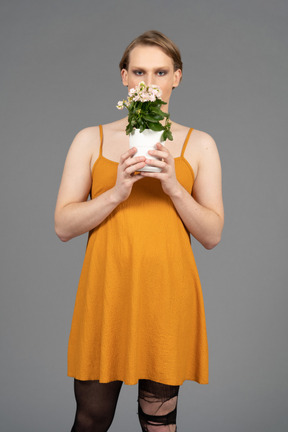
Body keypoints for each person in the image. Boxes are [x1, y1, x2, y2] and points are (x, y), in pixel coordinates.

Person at [54, 30, 224, 432]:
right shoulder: (90, 139)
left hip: (165, 295)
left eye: (161, 71)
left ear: (177, 77)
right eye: (140, 71)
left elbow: (212, 234)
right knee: (91, 419)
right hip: (107, 291)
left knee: (159, 424)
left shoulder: (199, 145)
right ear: (125, 77)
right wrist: (117, 192)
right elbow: (63, 225)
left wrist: (173, 186)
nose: (150, 82)